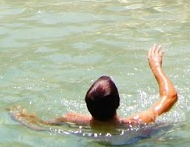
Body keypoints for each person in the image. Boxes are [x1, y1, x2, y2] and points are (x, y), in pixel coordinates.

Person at [10, 45, 178, 131]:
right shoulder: (137, 122)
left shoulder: (73, 119)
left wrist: (23, 117)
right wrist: (156, 66)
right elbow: (170, 96)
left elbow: (42, 126)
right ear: (118, 102)